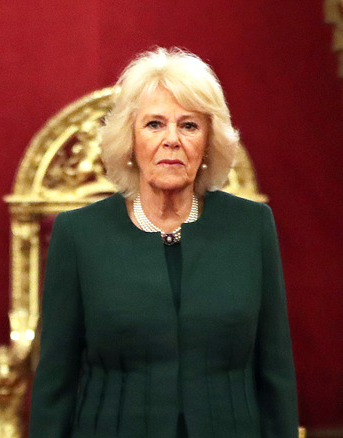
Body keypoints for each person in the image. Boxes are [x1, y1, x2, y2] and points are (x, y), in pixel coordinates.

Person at [29, 47, 298, 437]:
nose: (172, 139)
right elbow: (55, 384)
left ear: (208, 142)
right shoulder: (79, 235)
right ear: (130, 139)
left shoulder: (252, 226)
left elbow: (276, 374)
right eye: (154, 124)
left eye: (189, 125)